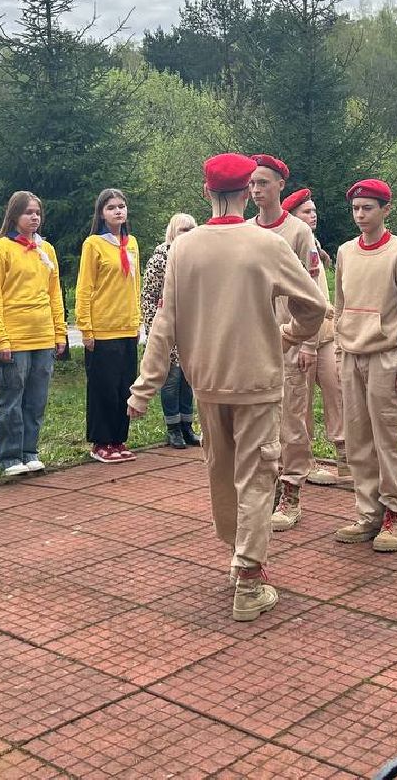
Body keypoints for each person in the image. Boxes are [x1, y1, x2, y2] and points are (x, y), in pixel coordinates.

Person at [127, 154, 328, 621]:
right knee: (257, 477)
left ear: (206, 193)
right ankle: (250, 578)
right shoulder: (266, 244)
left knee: (221, 475)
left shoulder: (183, 248)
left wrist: (145, 387)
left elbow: (164, 323)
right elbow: (314, 306)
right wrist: (291, 335)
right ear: (247, 191)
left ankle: (237, 556)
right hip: (256, 382)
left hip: (208, 384)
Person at [332, 179, 397, 553]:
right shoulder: (344, 252)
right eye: (355, 208)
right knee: (358, 439)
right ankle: (368, 511)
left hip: (386, 358)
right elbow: (338, 303)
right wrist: (340, 350)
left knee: (390, 438)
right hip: (352, 355)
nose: (360, 215)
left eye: (367, 208)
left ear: (386, 210)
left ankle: (395, 514)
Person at [247, 154, 321, 533]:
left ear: (280, 186)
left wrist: (306, 342)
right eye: (252, 184)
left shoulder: (297, 232)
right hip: (254, 344)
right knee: (257, 420)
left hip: (289, 341)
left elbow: (312, 292)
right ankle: (265, 487)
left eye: (263, 183)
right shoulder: (245, 230)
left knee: (292, 420)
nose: (256, 190)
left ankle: (292, 492)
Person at [0, 191, 68, 477]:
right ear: (14, 215)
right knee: (11, 398)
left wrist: (60, 332)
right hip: (13, 339)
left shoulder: (47, 251)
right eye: (28, 212)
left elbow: (54, 294)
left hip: (43, 336)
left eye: (37, 213)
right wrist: (1, 338)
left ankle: (29, 450)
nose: (34, 217)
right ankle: (8, 456)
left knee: (36, 399)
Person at [281, 188, 347, 487]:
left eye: (314, 210)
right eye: (307, 211)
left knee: (337, 392)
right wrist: (306, 342)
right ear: (293, 218)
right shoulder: (287, 245)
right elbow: (303, 298)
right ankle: (305, 462)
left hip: (326, 334)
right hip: (301, 337)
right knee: (300, 402)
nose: (314, 214)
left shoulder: (314, 244)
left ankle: (345, 458)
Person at [77, 188, 141, 463]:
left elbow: (134, 285)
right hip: (103, 328)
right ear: (101, 213)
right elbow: (85, 288)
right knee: (103, 387)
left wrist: (137, 320)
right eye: (111, 207)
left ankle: (118, 438)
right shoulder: (94, 244)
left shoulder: (132, 243)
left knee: (124, 387)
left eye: (121, 206)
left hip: (127, 327)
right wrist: (87, 329)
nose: (118, 211)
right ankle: (101, 441)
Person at [140, 212, 200, 449]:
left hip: (191, 329)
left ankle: (187, 426)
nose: (189, 234)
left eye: (192, 229)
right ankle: (172, 428)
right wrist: (153, 328)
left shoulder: (196, 258)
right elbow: (149, 296)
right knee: (171, 379)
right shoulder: (160, 258)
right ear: (173, 232)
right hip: (167, 328)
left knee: (188, 380)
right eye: (184, 229)